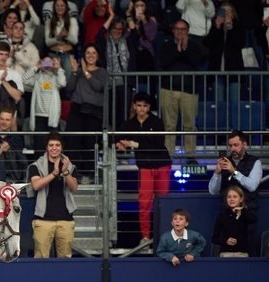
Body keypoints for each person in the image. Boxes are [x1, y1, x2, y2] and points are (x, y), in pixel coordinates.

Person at [115, 92, 172, 246]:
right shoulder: (129, 124)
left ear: (149, 107)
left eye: (145, 106)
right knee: (144, 203)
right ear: (134, 106)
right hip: (145, 167)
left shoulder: (157, 122)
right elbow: (115, 137)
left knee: (163, 203)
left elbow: (158, 144)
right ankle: (145, 238)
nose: (141, 108)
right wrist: (118, 143)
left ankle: (166, 237)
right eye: (139, 105)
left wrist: (134, 144)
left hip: (162, 165)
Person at [158, 19, 204, 163]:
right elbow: (163, 63)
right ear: (173, 31)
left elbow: (196, 62)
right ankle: (168, 154)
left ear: (188, 31)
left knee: (189, 124)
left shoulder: (195, 46)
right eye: (177, 29)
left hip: (189, 91)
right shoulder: (166, 45)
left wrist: (185, 49)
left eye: (183, 29)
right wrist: (177, 50)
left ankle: (190, 154)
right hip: (168, 90)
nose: (180, 32)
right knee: (169, 125)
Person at [26, 131, 78, 258]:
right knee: (40, 259)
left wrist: (65, 172)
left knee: (65, 259)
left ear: (61, 147)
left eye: (57, 145)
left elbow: (74, 187)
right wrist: (54, 173)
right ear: (46, 147)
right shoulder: (36, 166)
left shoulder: (69, 166)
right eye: (51, 145)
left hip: (65, 219)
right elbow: (36, 185)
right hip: (43, 219)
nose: (54, 148)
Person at [65, 44, 108, 182]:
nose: (90, 55)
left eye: (93, 53)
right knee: (73, 141)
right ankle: (72, 173)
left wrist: (86, 72)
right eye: (87, 53)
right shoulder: (79, 71)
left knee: (90, 143)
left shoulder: (102, 72)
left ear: (98, 56)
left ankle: (88, 174)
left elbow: (98, 86)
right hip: (77, 109)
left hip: (93, 111)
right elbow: (69, 89)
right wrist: (74, 72)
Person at [208, 130, 262, 212]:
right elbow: (213, 191)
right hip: (226, 212)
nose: (233, 149)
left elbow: (252, 186)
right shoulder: (225, 162)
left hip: (248, 212)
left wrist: (234, 171)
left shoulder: (255, 162)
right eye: (230, 146)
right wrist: (217, 173)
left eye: (236, 145)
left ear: (245, 145)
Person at [24, 56, 65, 155]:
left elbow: (63, 83)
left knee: (54, 146)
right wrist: (36, 67)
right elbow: (24, 80)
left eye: (49, 62)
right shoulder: (37, 77)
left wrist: (58, 68)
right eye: (45, 62)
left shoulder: (55, 78)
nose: (47, 64)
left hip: (53, 117)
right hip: (39, 116)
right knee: (39, 146)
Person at [211, 185, 256, 257]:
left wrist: (242, 210)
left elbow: (253, 220)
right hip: (225, 253)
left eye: (235, 197)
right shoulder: (222, 215)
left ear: (241, 199)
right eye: (229, 197)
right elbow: (214, 238)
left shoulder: (245, 214)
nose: (231, 199)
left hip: (242, 253)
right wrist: (226, 240)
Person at [0, 106, 26, 181]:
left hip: (14, 175)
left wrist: (9, 149)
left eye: (7, 120)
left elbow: (20, 158)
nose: (4, 122)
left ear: (12, 121)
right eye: (2, 119)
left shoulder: (17, 137)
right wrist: (0, 151)